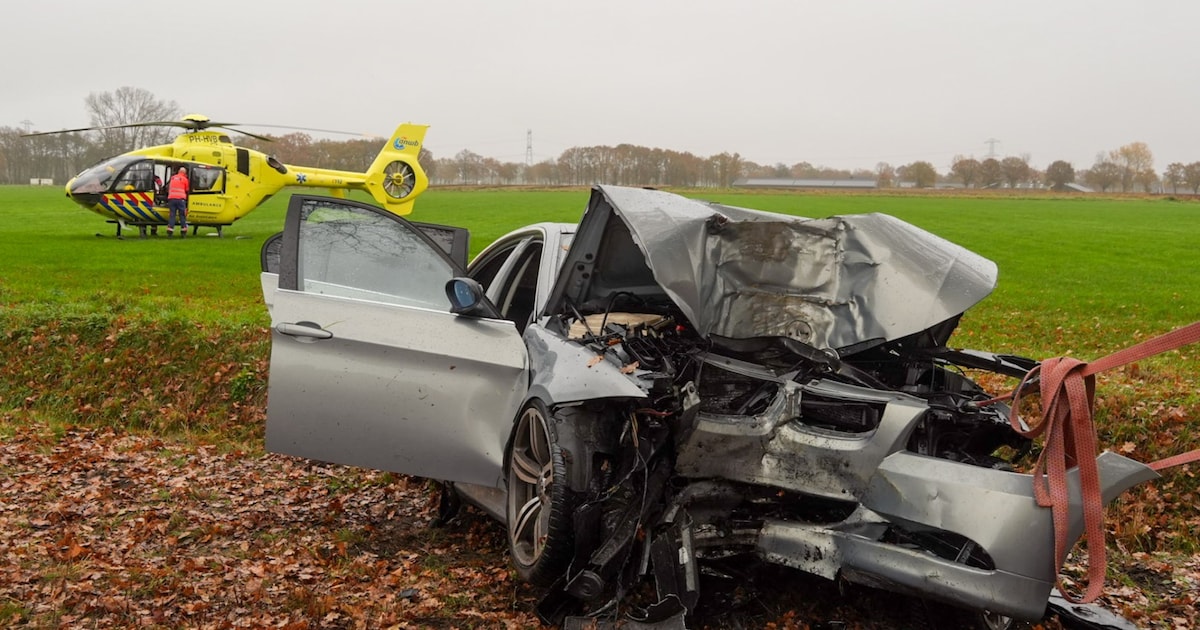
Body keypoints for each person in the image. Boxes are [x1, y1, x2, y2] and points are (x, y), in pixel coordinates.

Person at [166, 167, 189, 237]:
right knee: (182, 215)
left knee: (172, 215)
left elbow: (168, 187)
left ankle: (170, 230)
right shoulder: (185, 179)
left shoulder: (173, 178)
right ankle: (183, 231)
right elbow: (187, 189)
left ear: (178, 171)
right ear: (185, 173)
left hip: (171, 198)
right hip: (181, 199)